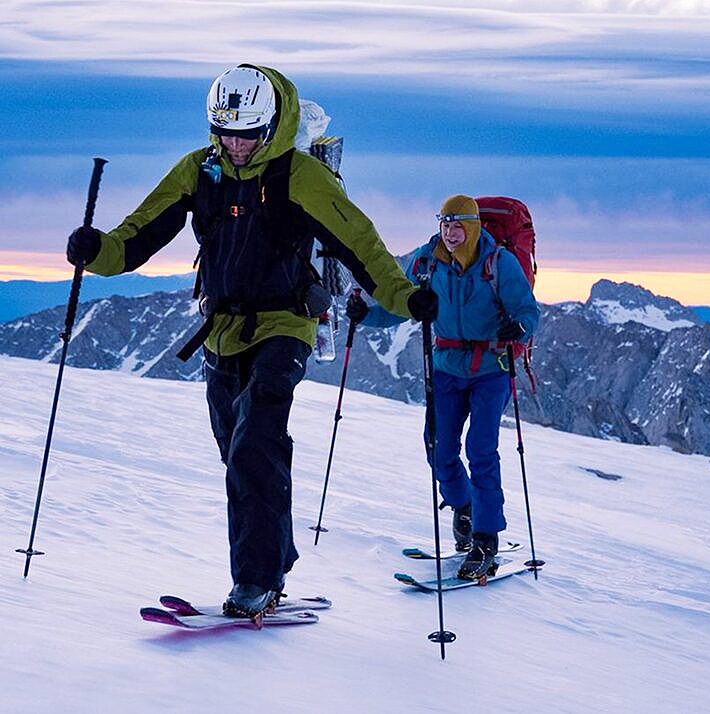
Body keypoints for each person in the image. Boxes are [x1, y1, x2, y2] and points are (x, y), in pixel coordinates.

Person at [65, 64, 438, 616]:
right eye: (226, 133)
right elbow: (140, 233)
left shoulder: (300, 176)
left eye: (248, 134)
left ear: (272, 125)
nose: (236, 145)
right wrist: (98, 252)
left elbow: (359, 243)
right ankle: (275, 555)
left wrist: (405, 297)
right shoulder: (200, 169)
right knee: (235, 451)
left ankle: (256, 581)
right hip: (221, 328)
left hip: (286, 323)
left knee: (255, 442)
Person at [347, 195, 539, 580]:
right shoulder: (427, 261)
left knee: (481, 449)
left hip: (491, 369)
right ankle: (463, 507)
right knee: (439, 447)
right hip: (447, 368)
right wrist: (366, 316)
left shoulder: (499, 263)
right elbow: (404, 305)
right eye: (445, 225)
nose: (450, 234)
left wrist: (519, 328)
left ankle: (485, 539)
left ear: (473, 226)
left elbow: (528, 310)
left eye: (458, 226)